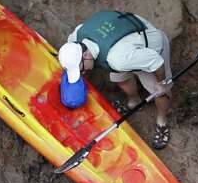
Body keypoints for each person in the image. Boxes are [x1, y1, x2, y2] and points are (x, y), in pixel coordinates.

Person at [60, 11, 174, 149]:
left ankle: (162, 121)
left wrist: (161, 82)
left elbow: (156, 62)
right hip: (126, 45)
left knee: (160, 92)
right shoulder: (76, 37)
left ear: (86, 55)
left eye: (81, 69)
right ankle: (134, 101)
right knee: (121, 79)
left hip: (152, 47)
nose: (82, 73)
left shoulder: (117, 60)